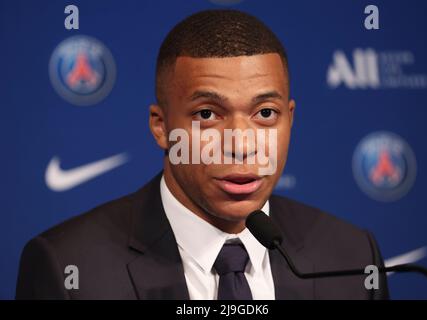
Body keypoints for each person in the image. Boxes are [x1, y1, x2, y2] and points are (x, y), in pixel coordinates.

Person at [16, 9, 388, 300]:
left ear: (290, 119)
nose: (242, 145)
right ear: (161, 126)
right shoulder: (68, 267)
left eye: (265, 114)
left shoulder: (354, 257)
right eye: (207, 115)